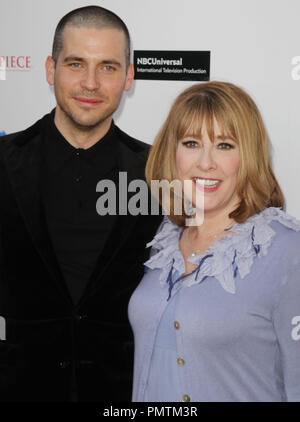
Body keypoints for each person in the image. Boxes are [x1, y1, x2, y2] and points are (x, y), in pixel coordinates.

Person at [0, 6, 161, 401]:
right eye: (76, 64)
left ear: (128, 77)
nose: (90, 83)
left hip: (123, 393)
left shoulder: (160, 172)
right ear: (50, 69)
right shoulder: (3, 162)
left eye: (107, 67)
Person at [128, 81, 300, 402]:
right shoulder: (162, 241)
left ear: (248, 154)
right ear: (173, 152)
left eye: (224, 145)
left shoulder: (288, 249)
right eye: (191, 143)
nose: (206, 163)